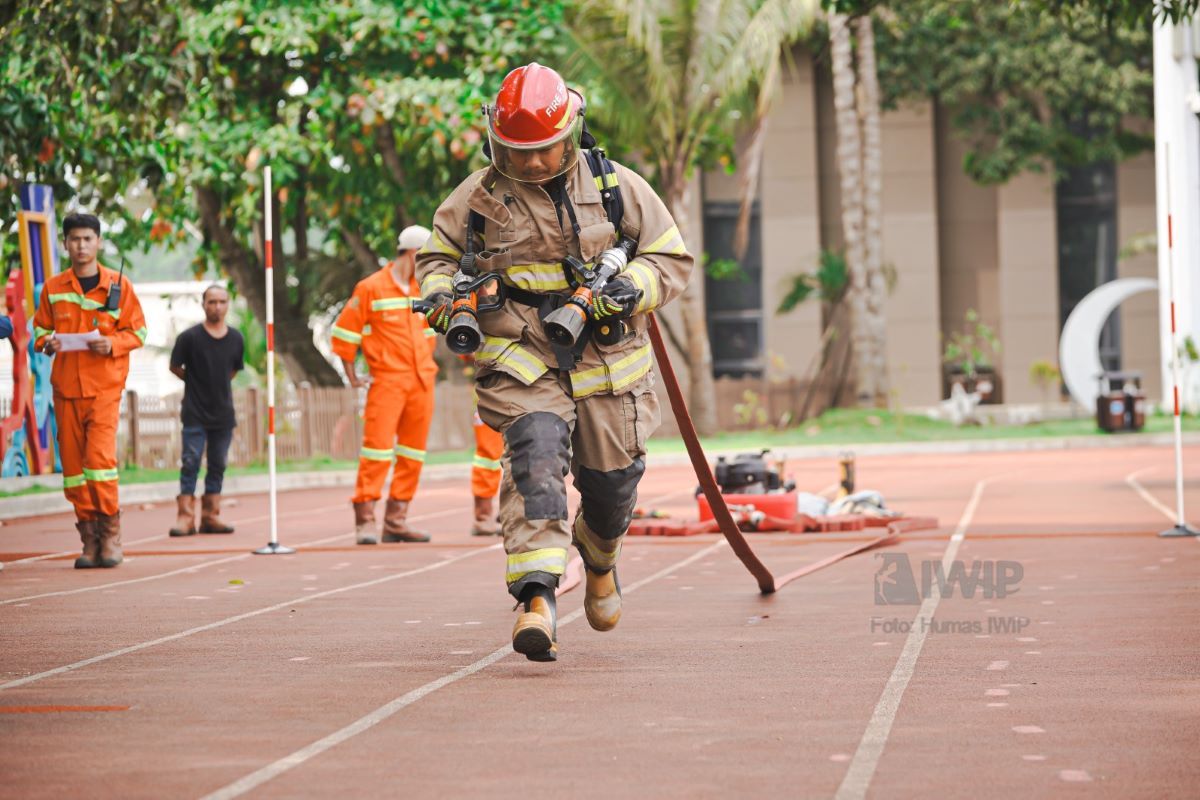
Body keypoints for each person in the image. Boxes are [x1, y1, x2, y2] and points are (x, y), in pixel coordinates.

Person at [417, 63, 693, 662]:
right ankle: (536, 600)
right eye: (520, 151)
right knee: (534, 461)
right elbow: (435, 259)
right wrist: (446, 296)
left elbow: (670, 257)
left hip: (609, 364)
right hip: (523, 360)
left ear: (570, 133)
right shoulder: (476, 197)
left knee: (612, 488)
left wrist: (630, 288)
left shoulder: (616, 186)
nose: (534, 162)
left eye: (544, 150)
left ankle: (599, 559)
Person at [33, 213, 147, 568]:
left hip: (104, 389)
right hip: (66, 389)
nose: (81, 246)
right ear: (64, 243)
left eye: (87, 239)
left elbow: (139, 333)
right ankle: (90, 539)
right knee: (73, 470)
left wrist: (111, 344)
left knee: (99, 464)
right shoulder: (52, 288)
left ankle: (111, 536)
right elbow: (39, 331)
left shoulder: (119, 285)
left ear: (98, 242)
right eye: (74, 239)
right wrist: (47, 343)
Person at [332, 225, 438, 544]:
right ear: (412, 253)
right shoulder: (371, 288)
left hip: (423, 381)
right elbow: (345, 334)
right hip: (388, 382)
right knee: (376, 452)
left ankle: (396, 520)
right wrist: (352, 377)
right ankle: (365, 520)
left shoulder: (427, 289)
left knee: (413, 453)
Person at [167, 284, 244, 537]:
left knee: (218, 464)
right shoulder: (189, 338)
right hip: (194, 413)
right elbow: (175, 366)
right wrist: (195, 380)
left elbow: (232, 371)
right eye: (212, 302)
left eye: (222, 301)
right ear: (203, 304)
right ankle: (185, 517)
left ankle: (211, 516)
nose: (217, 307)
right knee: (190, 462)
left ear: (228, 304)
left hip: (223, 414)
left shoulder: (236, 339)